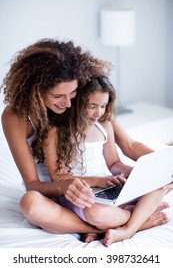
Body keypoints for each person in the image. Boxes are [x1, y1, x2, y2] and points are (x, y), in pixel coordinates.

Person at [1, 38, 172, 243]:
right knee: (30, 204)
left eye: (72, 93)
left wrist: (163, 165)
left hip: (93, 191)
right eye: (58, 96)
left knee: (158, 180)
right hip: (54, 192)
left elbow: (128, 145)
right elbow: (33, 185)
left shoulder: (84, 97)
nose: (68, 103)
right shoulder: (16, 117)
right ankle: (133, 223)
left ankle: (120, 221)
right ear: (36, 91)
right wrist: (65, 186)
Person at [43, 76, 172, 246]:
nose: (99, 113)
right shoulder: (56, 131)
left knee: (160, 183)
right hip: (80, 194)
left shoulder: (104, 126)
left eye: (103, 106)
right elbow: (57, 177)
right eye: (92, 106)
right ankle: (141, 219)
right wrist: (100, 181)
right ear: (77, 103)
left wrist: (125, 171)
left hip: (108, 187)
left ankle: (128, 227)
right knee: (96, 214)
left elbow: (113, 163)